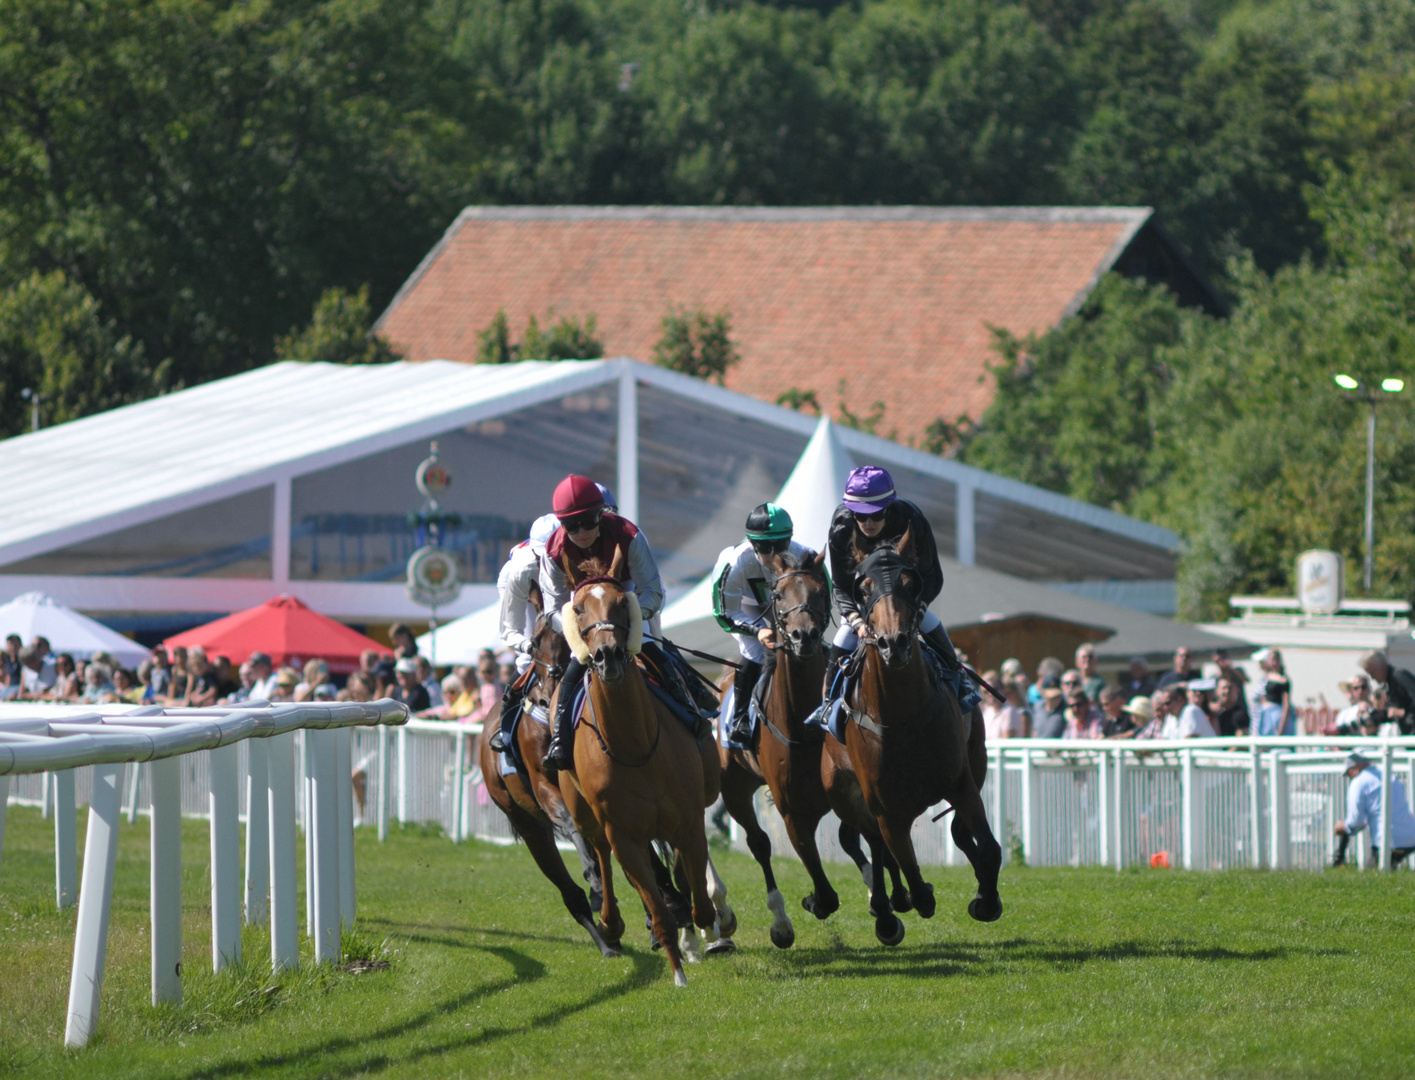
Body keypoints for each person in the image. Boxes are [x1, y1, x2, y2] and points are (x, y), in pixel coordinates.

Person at [541, 474, 689, 771]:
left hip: (628, 603)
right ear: (561, 524)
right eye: (572, 526)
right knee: (572, 670)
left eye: (588, 521)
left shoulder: (629, 535)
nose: (581, 532)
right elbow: (553, 609)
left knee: (656, 652)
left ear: (601, 514)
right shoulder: (554, 551)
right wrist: (584, 631)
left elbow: (653, 590)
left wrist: (626, 617)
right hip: (585, 617)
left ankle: (691, 713)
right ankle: (559, 738)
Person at [824, 465, 961, 681]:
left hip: (906, 601)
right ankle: (827, 706)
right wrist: (858, 624)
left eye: (876, 514)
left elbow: (932, 576)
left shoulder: (912, 519)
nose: (868, 523)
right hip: (864, 602)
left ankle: (962, 687)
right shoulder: (842, 528)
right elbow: (840, 587)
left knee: (942, 646)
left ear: (888, 507)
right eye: (860, 516)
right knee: (841, 642)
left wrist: (918, 612)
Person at [711, 502, 814, 746]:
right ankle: (739, 719)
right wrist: (757, 631)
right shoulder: (735, 562)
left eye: (781, 545)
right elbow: (724, 612)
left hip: (790, 608)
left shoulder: (806, 557)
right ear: (752, 543)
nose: (775, 554)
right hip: (748, 607)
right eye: (765, 547)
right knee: (755, 652)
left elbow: (823, 602)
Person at [488, 512, 559, 753]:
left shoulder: (577, 552)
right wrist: (528, 645)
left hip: (553, 591)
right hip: (523, 591)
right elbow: (510, 630)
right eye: (543, 557)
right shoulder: (521, 568)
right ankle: (504, 727)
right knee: (529, 658)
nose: (548, 561)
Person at [1333, 752, 1415, 866]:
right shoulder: (1390, 776)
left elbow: (1355, 822)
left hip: (1386, 840)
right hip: (1411, 835)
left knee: (1374, 874)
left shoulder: (1358, 782)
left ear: (1354, 769)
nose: (1350, 777)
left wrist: (1343, 827)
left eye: (1349, 773)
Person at [1359, 650, 1415, 736]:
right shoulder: (1388, 685)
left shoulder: (1398, 676)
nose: (1372, 677)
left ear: (1382, 665)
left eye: (1372, 672)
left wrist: (1403, 712)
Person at [1061, 670, 1103, 739]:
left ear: (1087, 704)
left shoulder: (1095, 717)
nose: (1075, 709)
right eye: (1072, 706)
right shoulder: (1072, 721)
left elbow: (1095, 739)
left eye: (1078, 705)